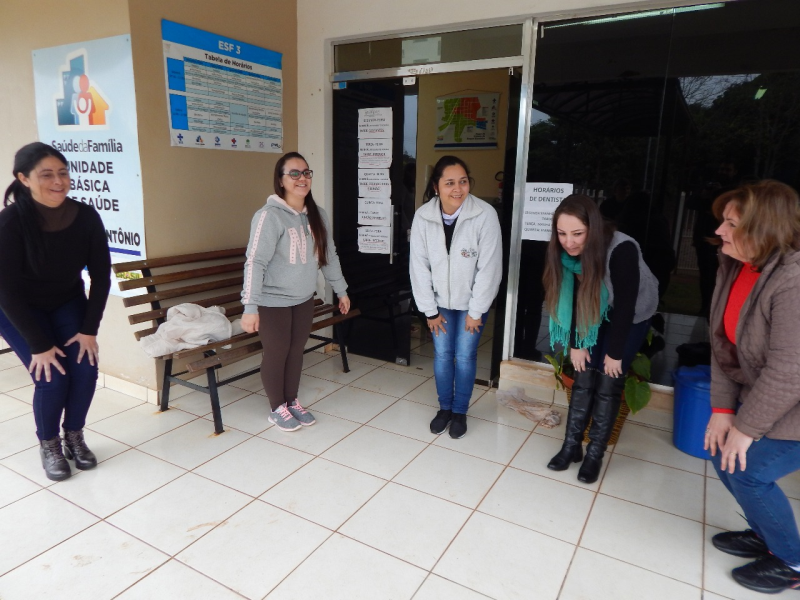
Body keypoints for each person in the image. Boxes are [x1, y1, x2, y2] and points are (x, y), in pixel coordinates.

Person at [704, 180, 800, 595]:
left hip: (793, 399)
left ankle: (792, 562)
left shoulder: (793, 279)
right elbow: (722, 344)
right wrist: (723, 410)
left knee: (749, 470)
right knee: (722, 453)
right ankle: (766, 535)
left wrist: (746, 429)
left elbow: (790, 370)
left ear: (764, 229)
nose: (720, 231)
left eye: (731, 224)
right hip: (768, 396)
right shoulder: (736, 266)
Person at [0, 142, 111, 481]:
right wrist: (39, 344)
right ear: (24, 178)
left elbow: (101, 276)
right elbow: (6, 290)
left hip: (66, 301)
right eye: (46, 175)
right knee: (51, 376)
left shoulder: (86, 216)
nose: (58, 181)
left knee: (85, 369)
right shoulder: (10, 222)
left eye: (63, 173)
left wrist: (89, 330)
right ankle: (49, 444)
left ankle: (73, 435)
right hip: (17, 308)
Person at [545, 194, 658, 483]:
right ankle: (571, 446)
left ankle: (595, 453)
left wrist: (615, 353)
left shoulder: (621, 249)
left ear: (593, 228)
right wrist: (576, 344)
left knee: (609, 379)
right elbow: (573, 299)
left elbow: (625, 307)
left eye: (577, 233)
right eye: (562, 233)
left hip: (630, 314)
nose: (569, 242)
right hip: (592, 307)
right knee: (583, 372)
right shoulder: (566, 255)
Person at [241, 152, 349, 432]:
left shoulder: (317, 215)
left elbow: (329, 255)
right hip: (272, 301)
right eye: (294, 173)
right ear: (281, 180)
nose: (302, 178)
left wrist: (341, 289)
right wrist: (250, 306)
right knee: (277, 353)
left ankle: (291, 401)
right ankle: (276, 407)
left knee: (296, 351)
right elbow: (255, 262)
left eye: (306, 173)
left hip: (303, 299)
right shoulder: (269, 216)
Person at [410, 156, 501, 439]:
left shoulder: (484, 214)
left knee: (464, 356)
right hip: (439, 305)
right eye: (449, 183)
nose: (458, 189)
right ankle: (444, 409)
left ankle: (460, 412)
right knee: (442, 355)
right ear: (436, 187)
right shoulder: (423, 217)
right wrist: (429, 310)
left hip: (472, 304)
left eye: (463, 181)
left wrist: (477, 311)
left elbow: (490, 267)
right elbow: (418, 267)